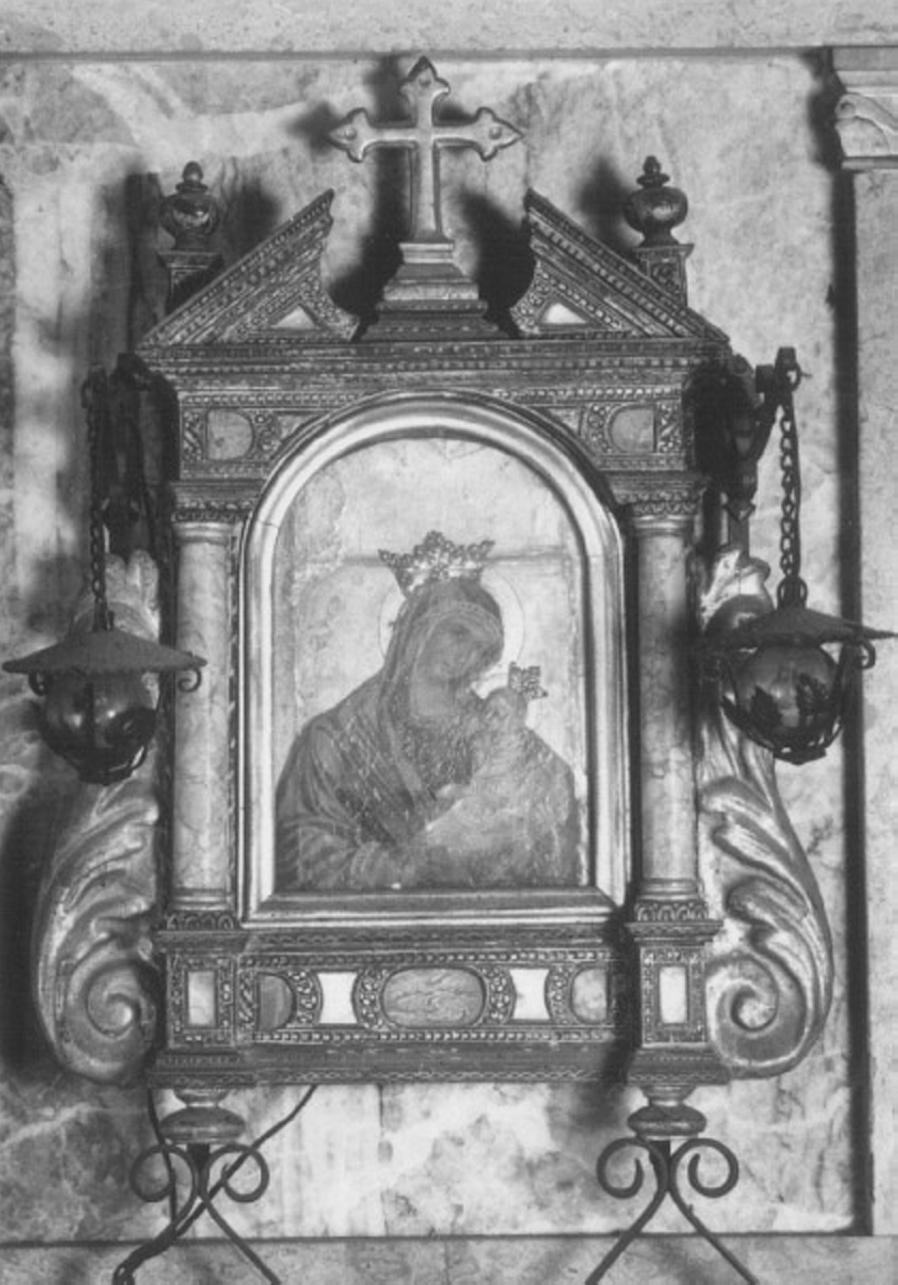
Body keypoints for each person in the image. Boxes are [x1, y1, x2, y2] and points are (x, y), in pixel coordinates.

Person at [275, 534, 579, 892]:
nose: (466, 655)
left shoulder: (495, 727)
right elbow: (299, 850)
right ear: (418, 629)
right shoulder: (337, 736)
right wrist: (398, 869)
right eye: (457, 633)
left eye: (481, 648)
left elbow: (555, 799)